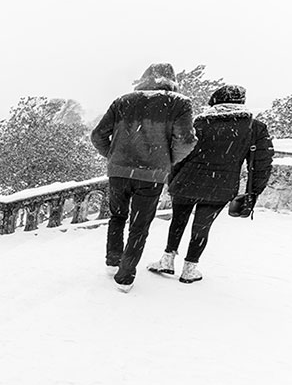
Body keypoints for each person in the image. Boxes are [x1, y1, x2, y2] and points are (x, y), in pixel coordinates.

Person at [148, 84, 274, 283]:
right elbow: (261, 164)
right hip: (221, 186)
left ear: (215, 101)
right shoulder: (255, 128)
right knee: (202, 226)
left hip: (186, 181)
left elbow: (179, 153)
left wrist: (172, 180)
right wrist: (255, 191)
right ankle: (190, 269)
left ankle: (167, 260)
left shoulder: (199, 123)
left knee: (178, 221)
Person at [90, 62, 196, 292]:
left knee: (117, 216)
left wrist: (114, 156)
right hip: (151, 176)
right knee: (139, 225)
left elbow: (98, 135)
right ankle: (125, 276)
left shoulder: (123, 101)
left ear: (145, 77)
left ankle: (113, 260)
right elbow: (186, 141)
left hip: (118, 172)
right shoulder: (179, 104)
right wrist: (166, 160)